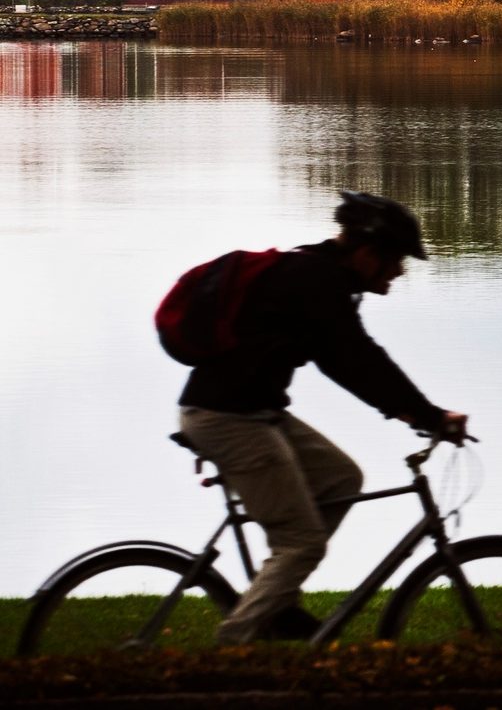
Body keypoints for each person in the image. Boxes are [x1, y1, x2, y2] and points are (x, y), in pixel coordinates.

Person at [175, 191, 467, 644]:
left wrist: (413, 412)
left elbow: (347, 362)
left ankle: (277, 601)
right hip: (226, 417)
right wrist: (429, 415)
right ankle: (231, 649)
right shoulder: (318, 282)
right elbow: (356, 360)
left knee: (340, 478)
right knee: (302, 541)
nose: (400, 271)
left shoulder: (319, 276)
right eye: (396, 260)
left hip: (253, 411)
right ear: (369, 254)